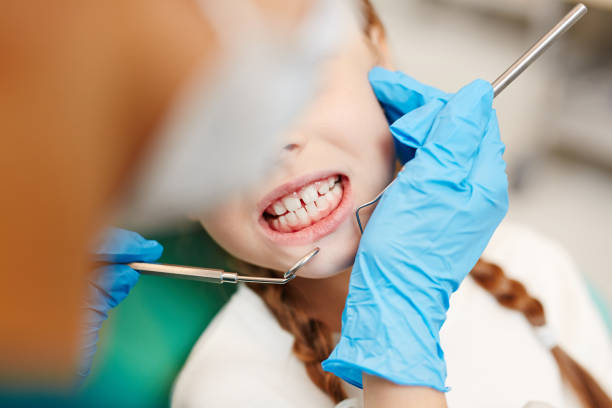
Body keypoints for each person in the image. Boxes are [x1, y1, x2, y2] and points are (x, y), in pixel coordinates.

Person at [171, 1, 612, 407]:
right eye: (212, 120)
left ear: (378, 54)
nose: (271, 145)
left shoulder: (536, 266)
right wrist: (397, 323)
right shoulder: (228, 388)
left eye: (300, 81)